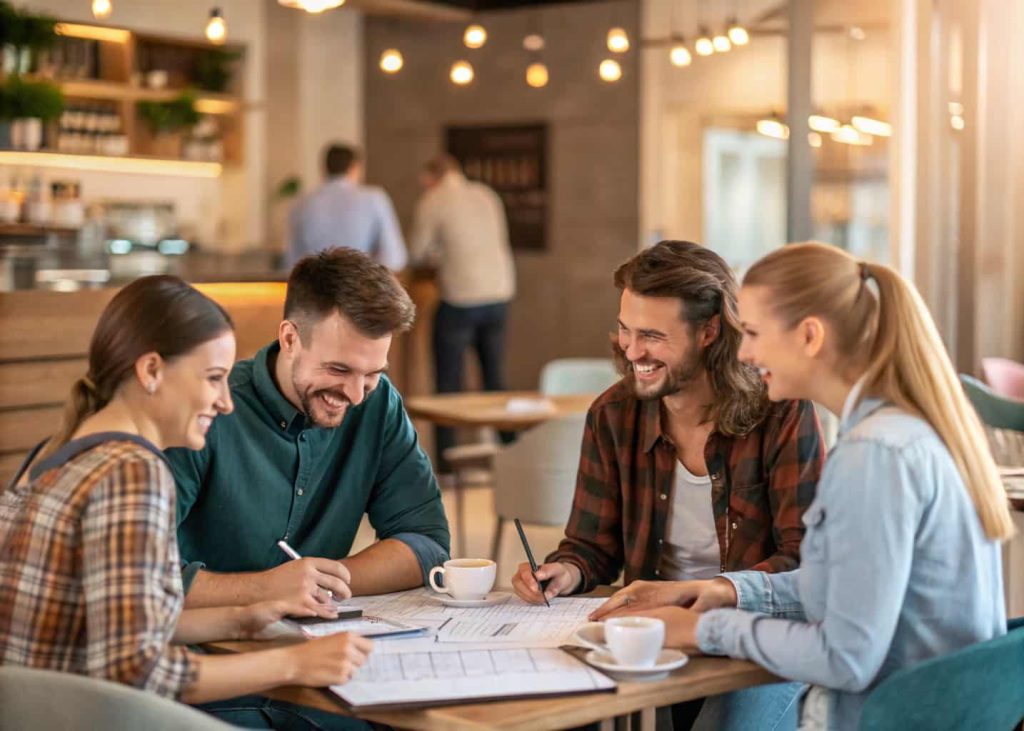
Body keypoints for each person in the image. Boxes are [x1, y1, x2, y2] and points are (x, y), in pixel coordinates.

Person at [594, 242, 1012, 730]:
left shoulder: (872, 456)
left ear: (810, 336)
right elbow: (847, 588)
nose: (744, 352)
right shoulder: (898, 434)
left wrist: (706, 630)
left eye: (751, 332)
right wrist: (724, 593)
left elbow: (846, 657)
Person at [0, 276, 372, 719]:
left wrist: (241, 618)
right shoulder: (133, 472)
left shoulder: (52, 455)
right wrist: (294, 663)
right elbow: (134, 671)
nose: (225, 402)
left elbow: (103, 630)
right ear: (151, 371)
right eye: (214, 378)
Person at [512, 240, 825, 729]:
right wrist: (567, 571)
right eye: (624, 330)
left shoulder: (780, 410)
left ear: (709, 332)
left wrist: (702, 594)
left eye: (652, 336)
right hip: (652, 636)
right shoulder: (613, 414)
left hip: (759, 639)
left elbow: (805, 560)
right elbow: (591, 545)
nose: (632, 350)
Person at [168, 247, 450, 617]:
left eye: (372, 373)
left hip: (316, 637)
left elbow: (427, 545)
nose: (354, 394)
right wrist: (268, 587)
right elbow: (141, 575)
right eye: (338, 369)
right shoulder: (208, 409)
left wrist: (323, 580)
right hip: (196, 644)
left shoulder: (378, 403)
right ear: (289, 339)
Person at [409, 154, 517, 471]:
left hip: (461, 297)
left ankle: (446, 463)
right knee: (494, 376)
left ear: (432, 177)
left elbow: (417, 253)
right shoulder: (486, 194)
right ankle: (509, 455)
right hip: (499, 293)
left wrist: (438, 255)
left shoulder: (434, 199)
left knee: (448, 384)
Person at [286, 143, 407, 271]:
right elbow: (394, 257)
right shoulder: (373, 199)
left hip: (313, 286)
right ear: (354, 167)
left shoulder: (301, 203)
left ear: (324, 168)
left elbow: (292, 261)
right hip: (359, 284)